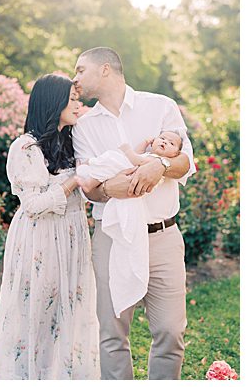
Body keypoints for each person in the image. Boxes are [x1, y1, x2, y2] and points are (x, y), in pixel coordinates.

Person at [71, 47, 195, 380]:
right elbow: (89, 186)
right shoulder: (83, 127)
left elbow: (185, 162)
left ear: (106, 69)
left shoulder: (161, 107)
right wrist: (112, 189)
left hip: (162, 236)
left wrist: (160, 165)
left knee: (170, 332)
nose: (76, 78)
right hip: (111, 238)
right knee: (112, 335)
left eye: (81, 69)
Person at [0, 73, 101, 380]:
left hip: (72, 234)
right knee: (40, 310)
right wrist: (71, 184)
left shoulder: (73, 140)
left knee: (71, 309)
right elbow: (33, 206)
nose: (78, 104)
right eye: (73, 98)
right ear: (55, 102)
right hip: (40, 238)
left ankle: (64, 376)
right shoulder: (26, 148)